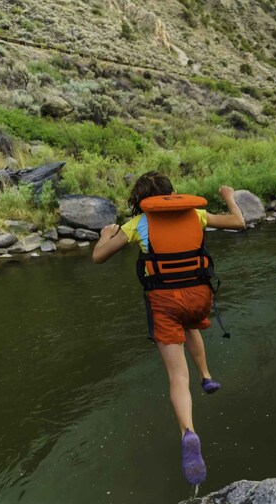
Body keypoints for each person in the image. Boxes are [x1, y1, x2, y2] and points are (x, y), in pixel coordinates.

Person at [91, 171, 245, 486]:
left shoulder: (138, 224)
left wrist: (105, 234)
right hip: (200, 296)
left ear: (141, 200)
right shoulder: (197, 215)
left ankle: (188, 432)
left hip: (164, 302)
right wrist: (229, 196)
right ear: (171, 194)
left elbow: (99, 257)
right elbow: (238, 222)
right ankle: (206, 377)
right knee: (192, 326)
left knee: (176, 375)